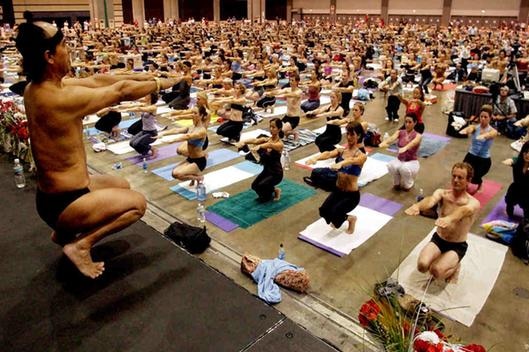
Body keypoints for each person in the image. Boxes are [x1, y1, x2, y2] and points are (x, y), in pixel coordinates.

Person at [16, 19, 178, 278]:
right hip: (64, 203)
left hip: (57, 194)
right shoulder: (59, 99)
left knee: (121, 185)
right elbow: (121, 92)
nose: (69, 50)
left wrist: (148, 76)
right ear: (49, 56)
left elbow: (98, 80)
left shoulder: (37, 88)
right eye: (64, 46)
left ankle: (62, 233)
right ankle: (81, 245)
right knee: (136, 203)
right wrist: (168, 82)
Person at [405, 162, 480, 282]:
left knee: (436, 271)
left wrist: (449, 219)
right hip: (439, 239)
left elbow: (463, 211)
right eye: (454, 176)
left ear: (468, 180)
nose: (455, 180)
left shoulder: (473, 203)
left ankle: (455, 266)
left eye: (460, 177)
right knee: (422, 266)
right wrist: (417, 206)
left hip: (457, 245)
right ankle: (441, 258)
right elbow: (430, 200)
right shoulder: (442, 193)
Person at [306, 122, 367, 234]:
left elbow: (353, 160)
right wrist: (315, 158)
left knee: (336, 213)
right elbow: (328, 154)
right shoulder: (342, 151)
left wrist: (342, 163)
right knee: (323, 211)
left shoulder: (361, 155)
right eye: (347, 134)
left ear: (358, 136)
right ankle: (340, 217)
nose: (349, 137)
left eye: (352, 134)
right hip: (338, 191)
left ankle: (351, 219)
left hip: (351, 196)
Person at [235, 118, 284, 202]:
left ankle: (275, 191)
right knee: (254, 186)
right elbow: (255, 140)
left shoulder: (279, 144)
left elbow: (270, 145)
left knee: (262, 187)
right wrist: (243, 142)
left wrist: (260, 146)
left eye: (274, 127)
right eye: (270, 127)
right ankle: (273, 190)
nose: (271, 129)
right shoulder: (267, 139)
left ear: (279, 129)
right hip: (267, 171)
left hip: (276, 173)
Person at [159, 106, 209, 184]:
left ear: (201, 115)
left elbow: (188, 136)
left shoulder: (202, 130)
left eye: (195, 113)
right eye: (192, 113)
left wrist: (173, 140)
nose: (193, 115)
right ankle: (195, 175)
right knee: (174, 173)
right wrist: (163, 133)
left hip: (199, 161)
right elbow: (176, 130)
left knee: (178, 174)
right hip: (190, 159)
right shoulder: (191, 127)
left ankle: (199, 178)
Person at [459, 105, 498, 194]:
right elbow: (470, 128)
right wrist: (465, 130)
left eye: (485, 117)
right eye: (481, 116)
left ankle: (480, 183)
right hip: (471, 155)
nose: (483, 119)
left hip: (484, 159)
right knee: (465, 172)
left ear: (490, 118)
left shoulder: (493, 130)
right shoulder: (475, 127)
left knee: (476, 177)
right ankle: (466, 184)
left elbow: (491, 134)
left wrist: (484, 135)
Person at [379, 113, 422, 191]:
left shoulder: (418, 135)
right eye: (406, 122)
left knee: (403, 168)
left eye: (410, 122)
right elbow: (392, 138)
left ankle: (409, 183)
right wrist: (384, 142)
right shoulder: (400, 132)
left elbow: (413, 143)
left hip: (411, 162)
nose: (407, 124)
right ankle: (397, 182)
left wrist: (405, 147)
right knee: (390, 166)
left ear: (415, 123)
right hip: (400, 160)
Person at [502, 141, 529, 219]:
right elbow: (512, 160)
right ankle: (508, 211)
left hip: (527, 193)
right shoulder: (518, 161)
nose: (527, 155)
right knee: (509, 203)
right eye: (526, 152)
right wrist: (510, 161)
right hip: (516, 189)